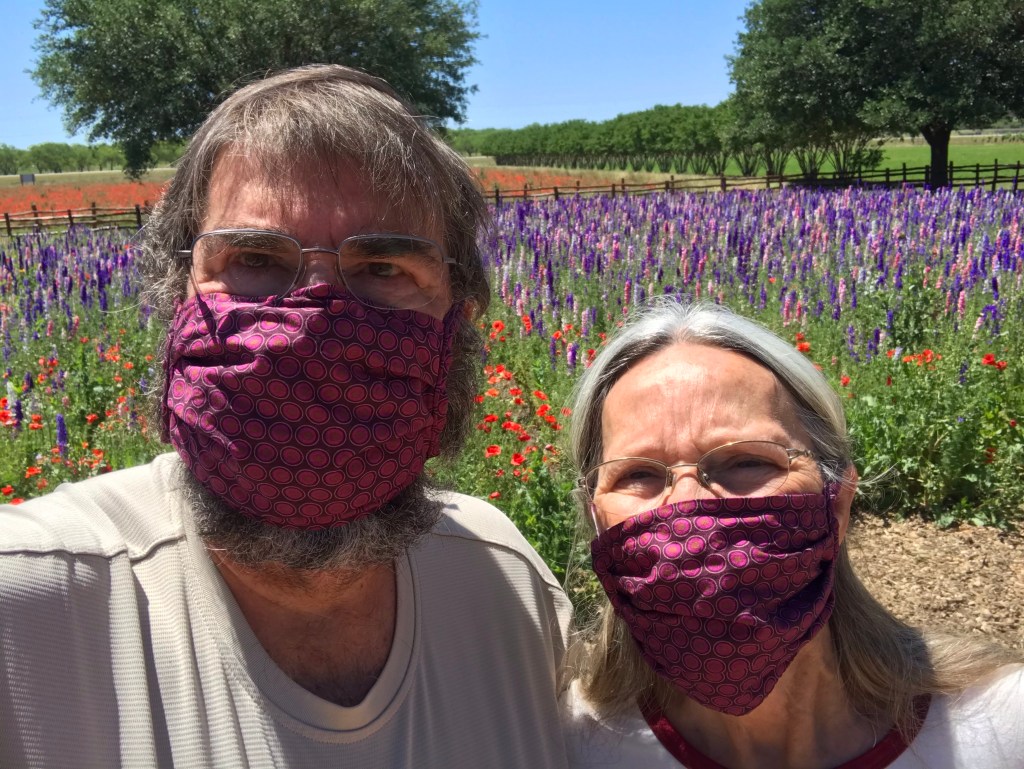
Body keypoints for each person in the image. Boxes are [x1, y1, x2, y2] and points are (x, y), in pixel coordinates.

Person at [0, 65, 571, 768]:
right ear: (174, 296)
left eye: (384, 268)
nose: (312, 322)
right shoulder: (27, 602)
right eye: (254, 258)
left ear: (462, 319)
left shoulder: (507, 586)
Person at [560, 299, 1023, 769]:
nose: (686, 507)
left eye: (747, 461)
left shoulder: (1002, 727)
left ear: (837, 502)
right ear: (595, 518)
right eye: (638, 474)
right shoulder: (568, 746)